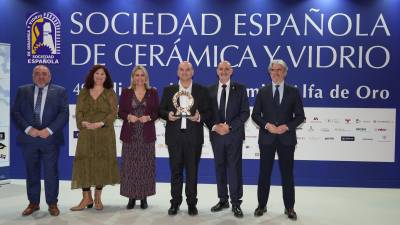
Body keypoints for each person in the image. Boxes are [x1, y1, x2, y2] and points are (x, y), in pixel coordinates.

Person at [251, 59, 305, 220]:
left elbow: (300, 116)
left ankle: (289, 208)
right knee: (264, 174)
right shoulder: (263, 91)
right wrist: (267, 125)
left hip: (286, 139)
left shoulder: (293, 92)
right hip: (267, 138)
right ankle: (262, 205)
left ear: (285, 72)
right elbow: (255, 115)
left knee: (287, 174)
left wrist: (286, 127)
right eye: (273, 70)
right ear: (269, 72)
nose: (276, 73)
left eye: (279, 70)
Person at [11, 65, 68, 216]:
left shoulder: (60, 91)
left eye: (44, 74)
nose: (41, 76)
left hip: (50, 139)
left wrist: (48, 131)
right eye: (37, 74)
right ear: (32, 76)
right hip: (29, 139)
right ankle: (33, 203)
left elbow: (63, 114)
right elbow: (15, 112)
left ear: (50, 76)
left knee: (51, 173)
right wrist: (29, 129)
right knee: (31, 172)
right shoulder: (22, 90)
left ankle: (52, 203)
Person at [159, 61, 210, 216]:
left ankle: (192, 203)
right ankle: (175, 203)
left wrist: (200, 116)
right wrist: (167, 115)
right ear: (178, 72)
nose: (185, 72)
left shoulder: (201, 90)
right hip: (174, 138)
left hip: (194, 138)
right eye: (182, 69)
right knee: (175, 172)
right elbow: (160, 110)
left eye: (188, 69)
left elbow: (209, 112)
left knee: (192, 172)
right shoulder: (169, 90)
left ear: (192, 72)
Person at [70, 64, 120, 211]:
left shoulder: (110, 92)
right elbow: (78, 111)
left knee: (102, 164)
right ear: (92, 75)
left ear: (106, 77)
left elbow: (113, 113)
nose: (99, 76)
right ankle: (86, 198)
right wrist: (83, 123)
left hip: (104, 133)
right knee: (84, 163)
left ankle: (97, 196)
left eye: (102, 74)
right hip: (86, 133)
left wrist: (101, 123)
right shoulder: (84, 92)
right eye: (97, 73)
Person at [206, 61, 250, 218]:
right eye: (221, 69)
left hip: (234, 135)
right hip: (216, 135)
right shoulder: (209, 90)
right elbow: (206, 113)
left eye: (226, 69)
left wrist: (229, 127)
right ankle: (223, 199)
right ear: (217, 71)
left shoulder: (240, 89)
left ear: (231, 71)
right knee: (219, 167)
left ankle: (236, 203)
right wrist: (215, 126)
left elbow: (245, 113)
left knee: (234, 168)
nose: (223, 71)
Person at [118, 65, 159, 210]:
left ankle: (143, 197)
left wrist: (149, 117)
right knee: (129, 166)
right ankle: (131, 197)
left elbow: (157, 112)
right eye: (137, 75)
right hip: (130, 134)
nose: (140, 78)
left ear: (146, 78)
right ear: (133, 77)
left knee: (146, 166)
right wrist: (128, 116)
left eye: (142, 75)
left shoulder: (152, 92)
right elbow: (120, 112)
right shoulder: (126, 92)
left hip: (146, 134)